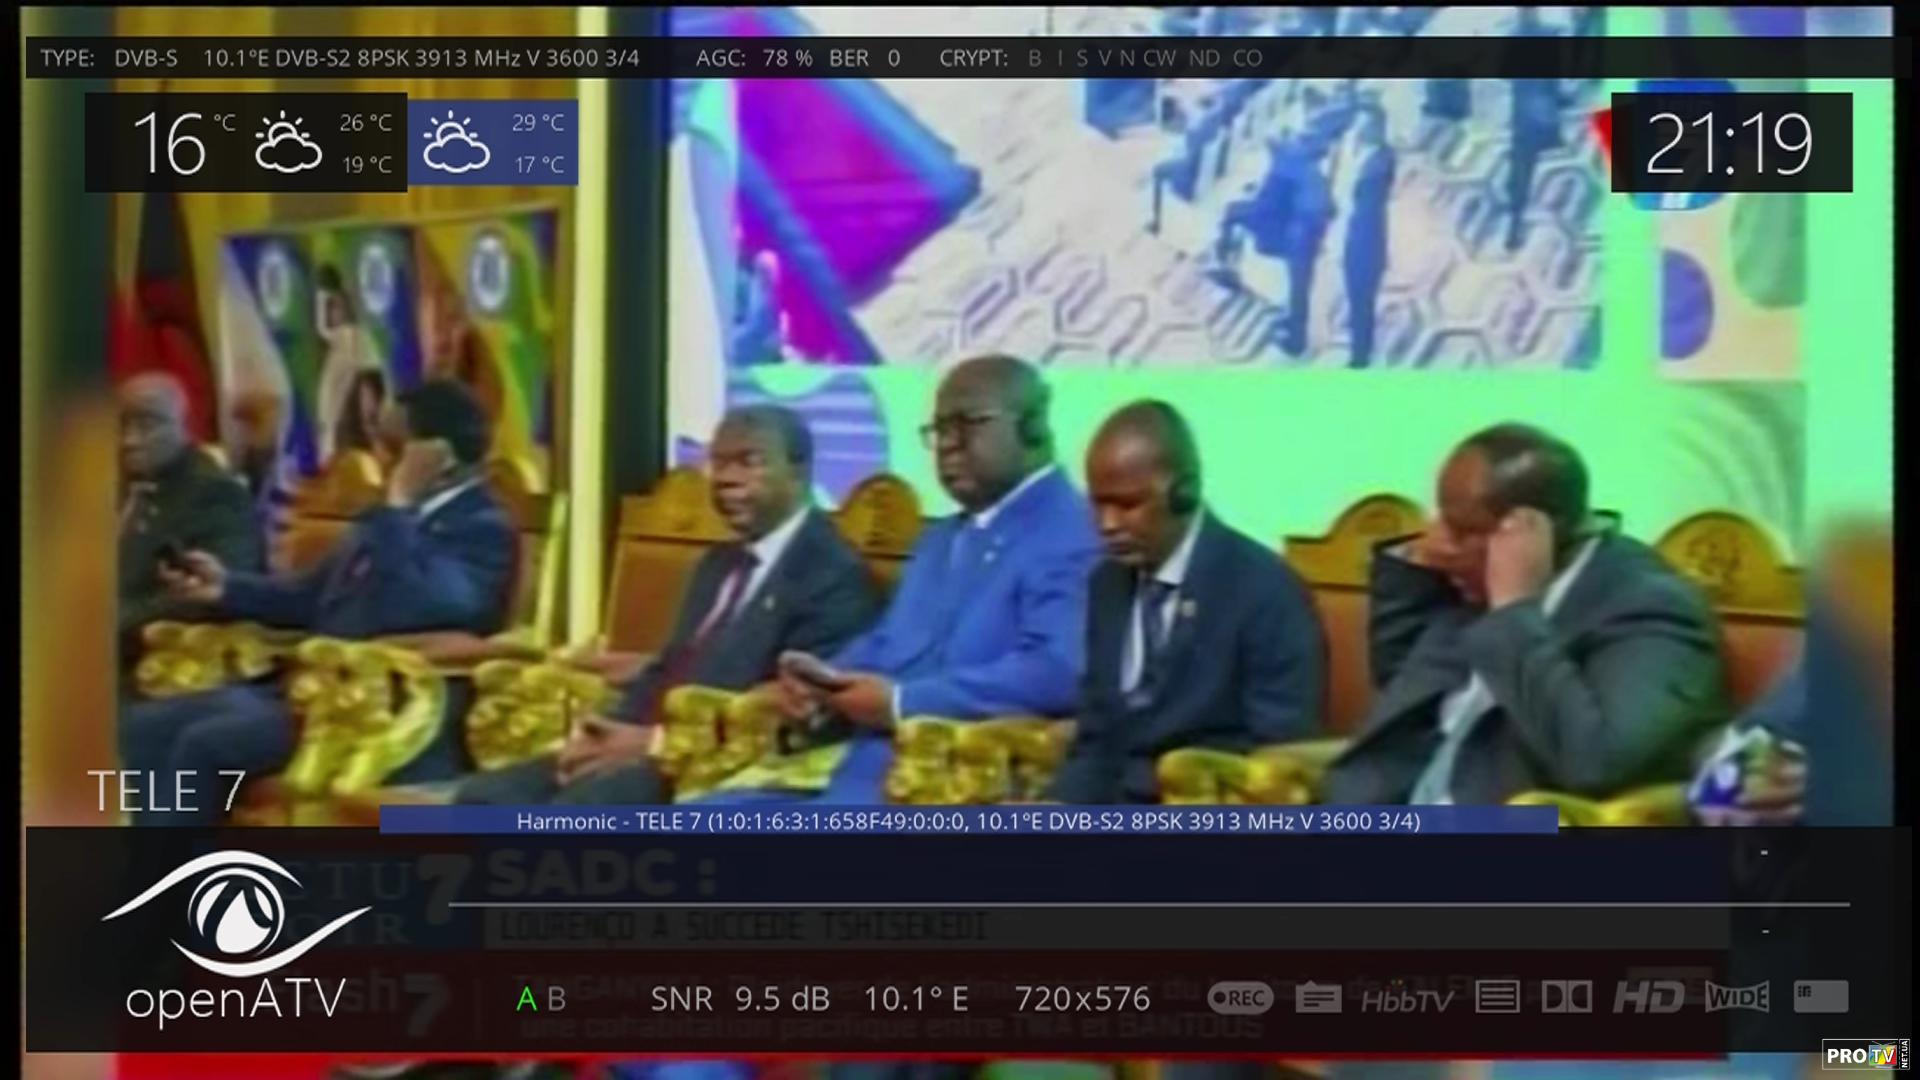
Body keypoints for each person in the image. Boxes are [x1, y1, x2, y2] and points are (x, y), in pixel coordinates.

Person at [118, 380, 517, 824]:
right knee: (140, 725)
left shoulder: (481, 526)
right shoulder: (382, 521)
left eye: (393, 444)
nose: (380, 457)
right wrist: (225, 587)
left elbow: (426, 603)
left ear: (438, 454)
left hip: (382, 708)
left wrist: (399, 505)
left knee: (207, 743)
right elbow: (307, 598)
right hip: (309, 691)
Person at [454, 406, 881, 806]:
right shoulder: (716, 563)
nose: (725, 479)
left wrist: (655, 743)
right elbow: (667, 668)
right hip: (643, 739)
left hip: (717, 768)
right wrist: (607, 730)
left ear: (799, 470)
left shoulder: (831, 575)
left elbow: (798, 717)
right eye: (718, 463)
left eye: (748, 462)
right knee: (482, 799)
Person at [728, 354, 1100, 804]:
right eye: (940, 430)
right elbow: (887, 643)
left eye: (968, 423)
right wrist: (823, 682)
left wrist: (902, 702)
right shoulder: (940, 539)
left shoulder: (1074, 532)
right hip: (857, 771)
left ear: (1033, 426)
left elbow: (1057, 671)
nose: (948, 445)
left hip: (955, 785)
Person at [1322, 424, 1728, 805]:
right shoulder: (1473, 585)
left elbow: (1594, 762)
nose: (1435, 545)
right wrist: (1415, 573)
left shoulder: (1649, 607)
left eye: (1462, 531)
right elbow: (1400, 688)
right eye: (1441, 520)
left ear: (1538, 532)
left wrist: (1514, 612)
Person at [1049, 401, 1325, 803]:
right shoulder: (1107, 583)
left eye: (1127, 505)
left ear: (1185, 492)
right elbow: (1096, 738)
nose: (1108, 524)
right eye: (1098, 503)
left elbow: (1278, 752)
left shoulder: (1263, 588)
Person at [118, 373, 263, 649]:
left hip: (155, 652)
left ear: (184, 425)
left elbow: (204, 600)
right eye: (122, 424)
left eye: (148, 424)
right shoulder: (116, 482)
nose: (129, 440)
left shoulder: (217, 494)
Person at [1339, 104, 1396, 368]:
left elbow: (1367, 205)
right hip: (1355, 231)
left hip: (1365, 238)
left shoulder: (1380, 162)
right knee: (1357, 296)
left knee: (1361, 296)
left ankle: (1360, 354)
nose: (1358, 130)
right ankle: (1360, 339)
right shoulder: (1365, 156)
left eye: (1363, 125)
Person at [314, 264, 381, 463]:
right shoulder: (318, 349)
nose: (331, 314)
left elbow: (372, 390)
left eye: (334, 306)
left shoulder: (356, 341)